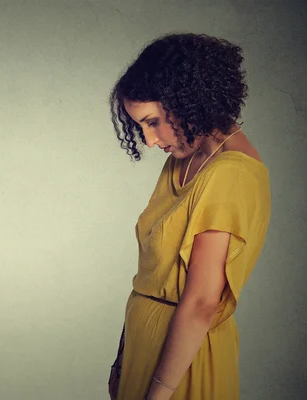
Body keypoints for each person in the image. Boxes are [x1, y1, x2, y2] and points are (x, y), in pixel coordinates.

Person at [106, 33, 271, 400]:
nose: (148, 140)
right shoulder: (181, 161)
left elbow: (201, 303)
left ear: (188, 102)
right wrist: (121, 361)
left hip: (181, 366)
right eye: (140, 127)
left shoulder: (231, 174)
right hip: (143, 351)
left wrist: (158, 395)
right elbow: (149, 277)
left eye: (153, 122)